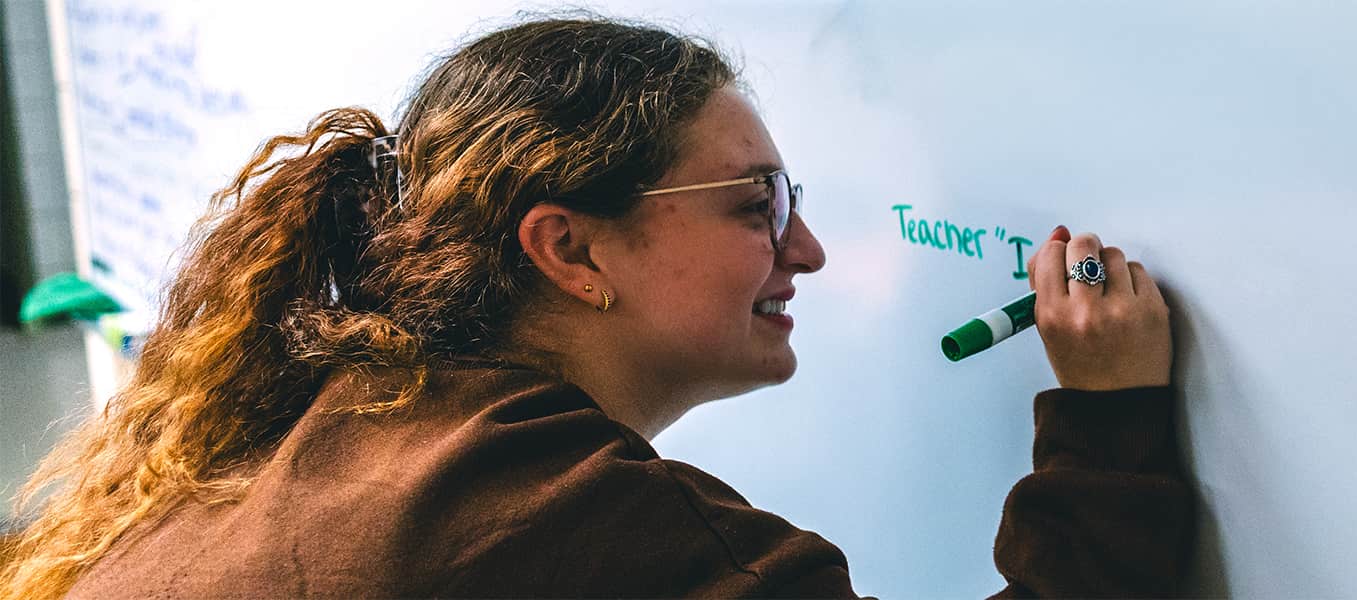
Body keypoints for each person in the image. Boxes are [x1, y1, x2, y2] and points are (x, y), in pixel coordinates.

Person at [0, 16, 1194, 599]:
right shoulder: (537, 513)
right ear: (569, 248)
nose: (813, 251)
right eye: (756, 204)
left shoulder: (357, 426)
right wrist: (1108, 423)